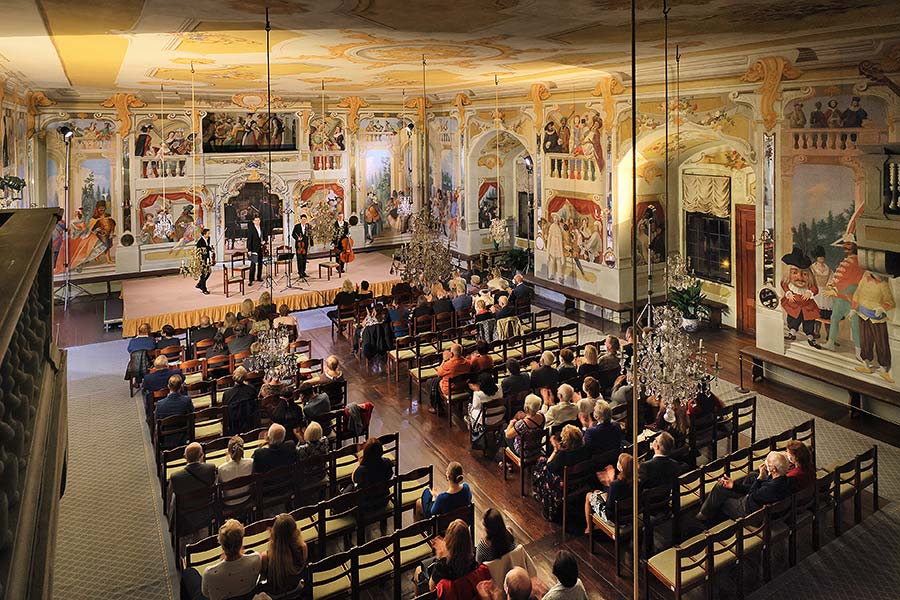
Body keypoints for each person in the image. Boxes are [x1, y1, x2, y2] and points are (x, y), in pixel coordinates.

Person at [696, 451, 791, 523]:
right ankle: (708, 512)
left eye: (767, 462)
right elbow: (757, 492)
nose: (765, 463)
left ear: (773, 468)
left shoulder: (770, 487)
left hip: (750, 513)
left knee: (721, 495)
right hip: (758, 505)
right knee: (748, 477)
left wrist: (760, 478)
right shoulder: (784, 479)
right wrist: (734, 486)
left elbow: (752, 494)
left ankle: (703, 517)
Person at [418, 519, 490, 595]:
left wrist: (439, 558)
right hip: (464, 591)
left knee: (418, 570)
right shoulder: (472, 558)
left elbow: (431, 588)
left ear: (449, 538)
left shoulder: (442, 565)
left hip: (446, 593)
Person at [532, 425, 588, 521]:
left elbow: (549, 466)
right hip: (578, 479)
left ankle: (540, 493)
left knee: (541, 464)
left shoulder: (563, 455)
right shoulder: (584, 449)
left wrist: (555, 450)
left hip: (564, 482)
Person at [200, 519, 262, 600]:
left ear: (222, 545)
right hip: (247, 596)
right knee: (250, 552)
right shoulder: (256, 559)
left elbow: (206, 594)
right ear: (241, 541)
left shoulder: (210, 573)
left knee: (190, 573)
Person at [853, 270, 895, 383]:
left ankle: (883, 369)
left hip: (877, 319)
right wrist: (853, 308)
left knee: (881, 342)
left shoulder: (883, 285)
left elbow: (890, 302)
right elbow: (857, 294)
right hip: (863, 315)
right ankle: (866, 365)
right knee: (865, 340)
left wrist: (882, 308)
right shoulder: (864, 280)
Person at [169, 442, 217, 531]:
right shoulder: (210, 468)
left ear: (184, 457)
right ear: (201, 455)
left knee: (173, 497)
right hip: (206, 508)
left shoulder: (176, 477)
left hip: (185, 513)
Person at [260, 513, 307, 596]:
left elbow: (263, 578)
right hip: (296, 590)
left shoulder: (265, 557)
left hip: (275, 595)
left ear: (273, 534)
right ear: (295, 532)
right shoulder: (303, 548)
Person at [585, 453, 634, 527]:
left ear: (621, 467)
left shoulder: (615, 484)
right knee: (596, 492)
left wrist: (609, 483)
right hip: (631, 514)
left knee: (588, 495)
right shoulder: (637, 480)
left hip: (615, 519)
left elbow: (609, 506)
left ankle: (589, 528)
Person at [353, 437, 395, 515]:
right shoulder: (387, 463)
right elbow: (390, 475)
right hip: (383, 500)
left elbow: (354, 480)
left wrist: (359, 463)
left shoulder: (362, 470)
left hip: (367, 505)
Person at [155, 375, 194, 448]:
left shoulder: (160, 404)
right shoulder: (187, 401)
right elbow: (192, 415)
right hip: (184, 436)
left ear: (168, 386)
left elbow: (156, 420)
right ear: (181, 387)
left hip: (166, 438)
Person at [431, 344, 471, 414]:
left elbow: (439, 373)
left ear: (451, 354)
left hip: (450, 389)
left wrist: (444, 360)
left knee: (434, 382)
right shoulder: (467, 362)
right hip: (462, 387)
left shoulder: (449, 364)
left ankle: (438, 408)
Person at [505, 394, 546, 459]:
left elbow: (507, 435)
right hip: (537, 448)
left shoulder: (521, 424)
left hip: (524, 452)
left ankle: (505, 461)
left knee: (504, 430)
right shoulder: (542, 416)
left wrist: (511, 423)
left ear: (526, 407)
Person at [217, 436, 254, 506]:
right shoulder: (251, 462)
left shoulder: (221, 469)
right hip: (247, 497)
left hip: (229, 502)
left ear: (228, 451)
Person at [468, 372, 503, 444]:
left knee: (470, 408)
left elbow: (475, 406)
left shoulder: (478, 394)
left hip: (486, 420)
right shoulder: (499, 387)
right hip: (500, 416)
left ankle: (475, 428)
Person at [291, 213, 311, 277]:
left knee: (304, 259)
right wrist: (297, 238)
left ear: (306, 220)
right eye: (302, 219)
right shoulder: (297, 226)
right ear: (300, 220)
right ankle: (300, 272)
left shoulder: (308, 226)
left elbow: (310, 234)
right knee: (299, 259)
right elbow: (293, 234)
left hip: (305, 245)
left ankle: (304, 271)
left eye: (305, 219)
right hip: (299, 245)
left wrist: (311, 242)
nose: (303, 221)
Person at [247, 215, 264, 284]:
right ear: (253, 221)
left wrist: (265, 241)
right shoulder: (251, 229)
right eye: (256, 220)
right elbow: (249, 240)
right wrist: (249, 250)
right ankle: (251, 280)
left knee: (260, 264)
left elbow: (264, 236)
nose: (257, 222)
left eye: (258, 220)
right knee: (253, 265)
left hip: (261, 249)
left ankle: (259, 277)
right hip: (254, 249)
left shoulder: (262, 228)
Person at [195, 227, 213, 295]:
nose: (209, 234)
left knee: (208, 272)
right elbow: (199, 250)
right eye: (208, 233)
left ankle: (200, 284)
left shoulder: (208, 238)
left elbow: (207, 247)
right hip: (202, 259)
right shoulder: (200, 242)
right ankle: (204, 289)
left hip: (207, 258)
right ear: (204, 234)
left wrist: (211, 249)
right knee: (203, 274)